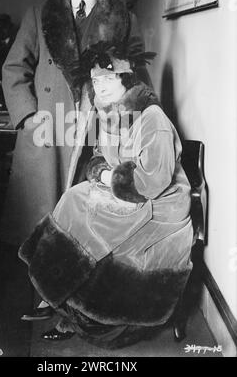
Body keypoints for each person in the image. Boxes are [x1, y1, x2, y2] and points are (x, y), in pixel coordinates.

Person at [18, 44, 194, 349]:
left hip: (159, 205)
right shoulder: (113, 113)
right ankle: (61, 297)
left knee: (96, 224)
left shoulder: (152, 119)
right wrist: (101, 173)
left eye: (107, 81)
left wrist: (109, 178)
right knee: (73, 198)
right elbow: (100, 155)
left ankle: (84, 312)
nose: (99, 87)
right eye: (95, 82)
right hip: (126, 190)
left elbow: (153, 181)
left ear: (126, 79)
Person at [0, 0, 150, 250]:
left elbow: (138, 75)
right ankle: (40, 297)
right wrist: (28, 116)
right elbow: (14, 68)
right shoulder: (40, 13)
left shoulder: (122, 17)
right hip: (48, 128)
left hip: (98, 128)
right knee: (41, 223)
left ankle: (78, 295)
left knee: (89, 224)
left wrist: (132, 120)